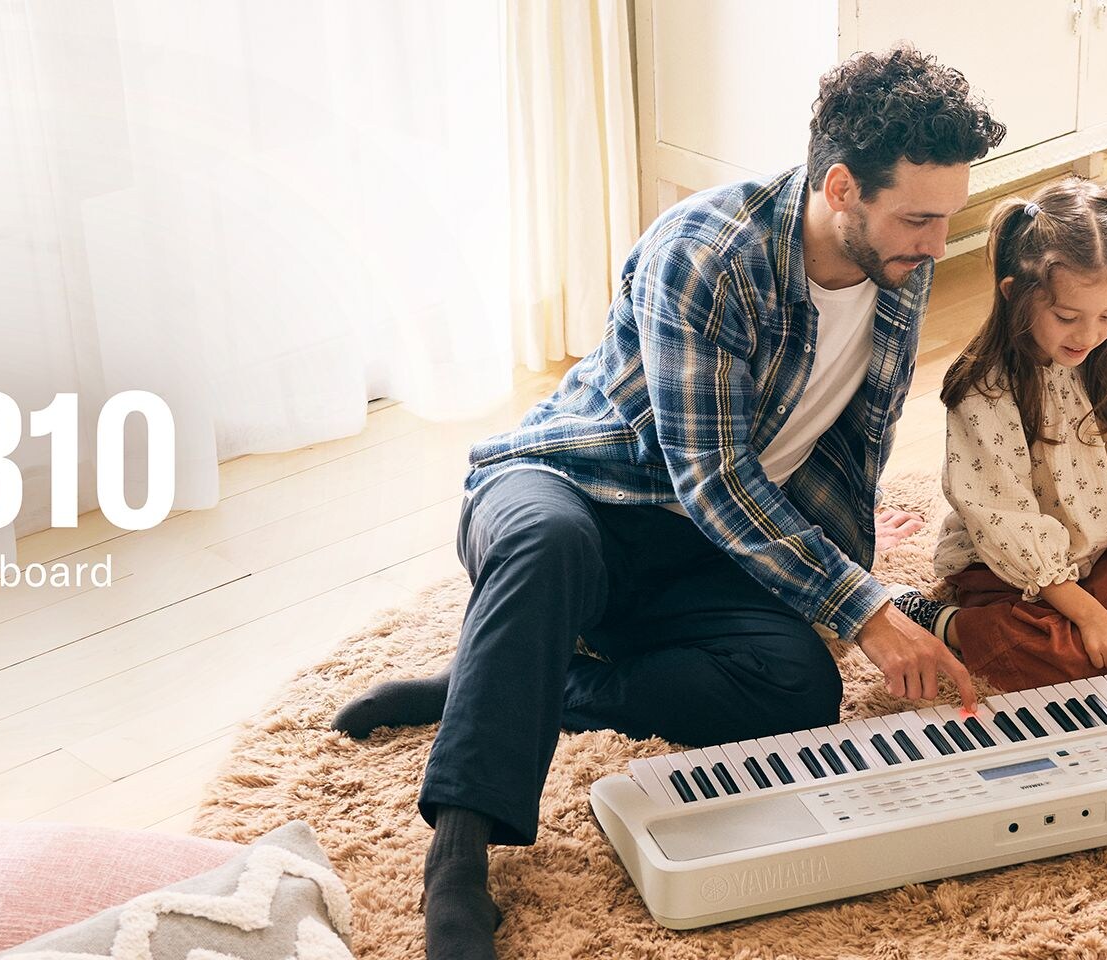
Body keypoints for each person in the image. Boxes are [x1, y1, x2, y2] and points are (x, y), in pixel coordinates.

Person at [327, 47, 1003, 960]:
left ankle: (528, 682)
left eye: (947, 218)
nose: (936, 245)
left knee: (798, 686)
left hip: (695, 549)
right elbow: (714, 475)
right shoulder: (708, 255)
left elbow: (852, 449)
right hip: (576, 489)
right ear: (841, 187)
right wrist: (867, 611)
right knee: (546, 548)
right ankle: (456, 869)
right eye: (920, 219)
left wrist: (846, 590)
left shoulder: (896, 263)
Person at [887, 179, 1107, 695]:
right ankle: (942, 620)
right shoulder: (986, 392)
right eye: (1067, 317)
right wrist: (1091, 618)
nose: (1088, 337)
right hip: (1009, 568)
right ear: (1015, 295)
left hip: (1098, 552)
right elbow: (1005, 520)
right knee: (1058, 651)